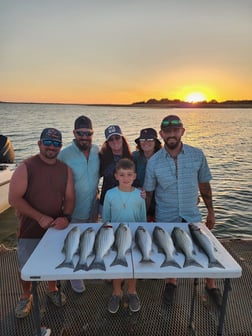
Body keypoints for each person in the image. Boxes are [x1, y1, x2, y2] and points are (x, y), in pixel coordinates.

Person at [144, 115, 223, 307]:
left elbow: (204, 185)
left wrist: (211, 211)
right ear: (161, 134)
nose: (172, 134)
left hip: (192, 215)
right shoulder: (153, 162)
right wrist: (144, 218)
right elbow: (149, 194)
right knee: (169, 250)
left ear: (182, 131)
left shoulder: (197, 154)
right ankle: (171, 282)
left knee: (205, 250)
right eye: (167, 131)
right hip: (166, 217)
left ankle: (211, 285)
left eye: (175, 130)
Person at [8, 128, 75, 318]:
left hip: (55, 228)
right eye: (47, 142)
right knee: (25, 266)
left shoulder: (65, 169)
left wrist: (67, 217)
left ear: (60, 147)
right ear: (39, 143)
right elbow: (14, 198)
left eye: (56, 144)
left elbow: (70, 197)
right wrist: (39, 217)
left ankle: (52, 289)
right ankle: (25, 295)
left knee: (53, 262)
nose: (51, 147)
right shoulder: (26, 166)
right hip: (30, 228)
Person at [58, 115, 100, 293]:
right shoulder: (64, 154)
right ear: (74, 133)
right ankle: (74, 278)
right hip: (72, 211)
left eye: (88, 133)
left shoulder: (98, 150)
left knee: (88, 242)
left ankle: (85, 269)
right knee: (73, 245)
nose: (84, 136)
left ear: (92, 133)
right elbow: (55, 183)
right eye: (80, 133)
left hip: (92, 208)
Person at [102, 158, 147, 313]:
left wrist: (142, 233)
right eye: (122, 175)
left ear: (134, 176)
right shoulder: (110, 194)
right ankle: (116, 292)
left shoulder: (139, 195)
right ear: (116, 176)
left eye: (129, 175)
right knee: (117, 263)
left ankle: (132, 291)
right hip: (115, 236)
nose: (125, 178)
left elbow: (142, 218)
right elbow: (106, 217)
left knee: (132, 265)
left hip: (134, 235)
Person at [99, 125, 132, 212]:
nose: (114, 141)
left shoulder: (131, 158)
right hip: (106, 204)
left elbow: (135, 181)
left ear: (122, 139)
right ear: (107, 142)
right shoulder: (102, 158)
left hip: (126, 204)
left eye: (117, 137)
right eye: (111, 139)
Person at [133, 128, 162, 222]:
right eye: (142, 140)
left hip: (159, 203)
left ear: (155, 142)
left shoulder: (163, 158)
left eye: (149, 140)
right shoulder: (134, 157)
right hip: (139, 201)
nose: (145, 142)